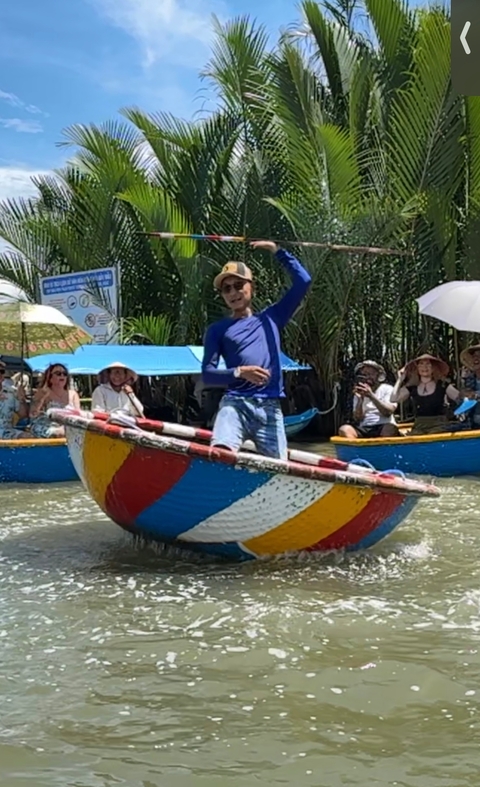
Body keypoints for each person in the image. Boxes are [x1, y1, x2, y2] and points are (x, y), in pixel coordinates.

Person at [201, 240, 311, 459]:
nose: (233, 292)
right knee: (220, 454)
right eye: (226, 288)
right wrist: (239, 372)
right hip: (235, 404)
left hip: (270, 408)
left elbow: (303, 281)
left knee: (279, 470)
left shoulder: (272, 318)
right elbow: (207, 374)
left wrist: (278, 251)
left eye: (239, 285)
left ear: (252, 287)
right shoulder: (217, 330)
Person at [390, 353, 460, 435]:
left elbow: (460, 399)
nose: (424, 367)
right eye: (421, 364)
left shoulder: (442, 385)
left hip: (439, 424)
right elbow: (393, 398)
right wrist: (400, 380)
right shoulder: (412, 387)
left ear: (433, 368)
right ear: (417, 368)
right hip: (419, 425)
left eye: (428, 364)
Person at [338, 361, 399, 439]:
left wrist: (371, 395)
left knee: (390, 429)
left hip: (384, 425)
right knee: (344, 429)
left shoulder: (387, 389)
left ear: (378, 375)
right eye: (365, 374)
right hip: (365, 427)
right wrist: (360, 401)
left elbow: (388, 412)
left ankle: (383, 450)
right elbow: (357, 419)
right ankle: (358, 450)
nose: (368, 377)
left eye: (371, 374)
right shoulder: (359, 391)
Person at [30, 363, 81, 438]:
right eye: (58, 373)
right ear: (50, 378)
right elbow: (32, 413)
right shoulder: (43, 392)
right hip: (45, 426)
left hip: (67, 427)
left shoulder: (73, 394)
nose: (62, 376)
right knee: (61, 433)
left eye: (64, 374)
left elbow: (78, 415)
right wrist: (42, 397)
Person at [0, 360, 28, 439]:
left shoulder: (12, 391)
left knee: (27, 437)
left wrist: (21, 399)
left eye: (1, 371)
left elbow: (23, 415)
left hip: (6, 432)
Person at [459, 344, 480, 429]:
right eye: (474, 356)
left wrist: (475, 395)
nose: (476, 359)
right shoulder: (469, 379)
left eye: (479, 356)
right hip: (473, 425)